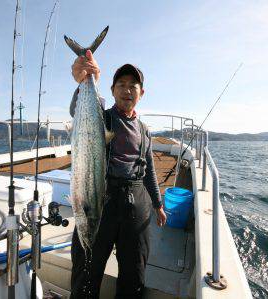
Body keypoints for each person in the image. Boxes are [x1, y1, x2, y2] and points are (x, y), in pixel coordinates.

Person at [69, 50, 167, 298]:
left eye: (133, 86)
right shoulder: (103, 116)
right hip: (102, 195)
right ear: (112, 90)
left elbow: (149, 169)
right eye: (121, 85)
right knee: (87, 267)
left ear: (141, 93)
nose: (127, 90)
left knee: (134, 271)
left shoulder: (144, 130)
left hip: (137, 201)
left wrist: (157, 204)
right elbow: (78, 111)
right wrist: (85, 82)